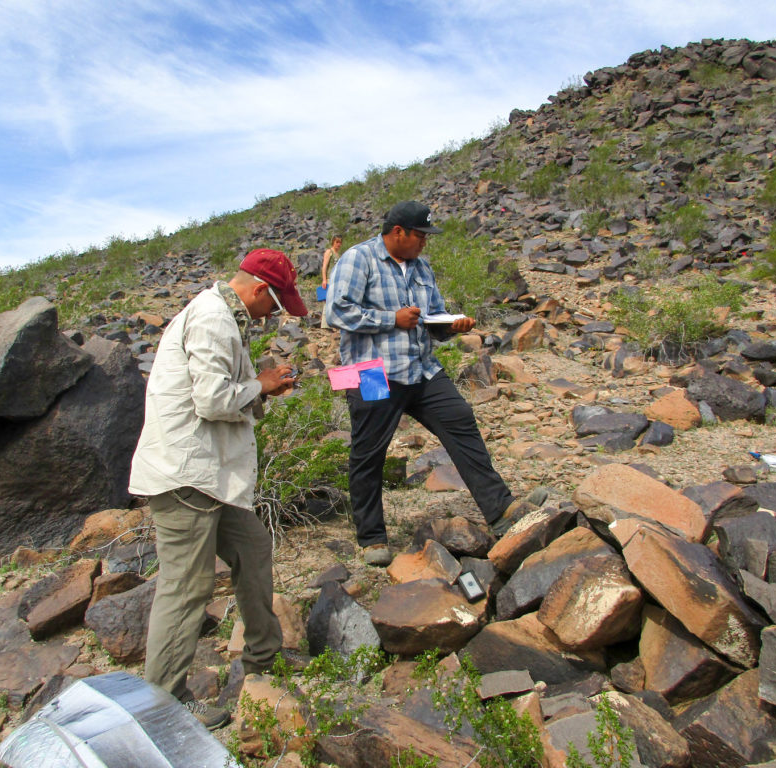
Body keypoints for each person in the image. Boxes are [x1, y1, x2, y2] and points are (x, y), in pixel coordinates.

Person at [129, 248, 308, 728]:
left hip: (207, 477)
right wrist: (262, 386)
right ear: (257, 290)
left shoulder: (223, 317)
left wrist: (260, 387)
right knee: (187, 588)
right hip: (184, 476)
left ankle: (264, 655)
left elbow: (219, 392)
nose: (275, 314)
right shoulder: (212, 318)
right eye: (275, 302)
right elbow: (211, 400)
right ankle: (162, 705)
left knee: (253, 548)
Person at [324, 201, 515, 567]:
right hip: (371, 371)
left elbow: (430, 317)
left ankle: (501, 509)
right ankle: (372, 538)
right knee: (368, 452)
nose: (425, 242)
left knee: (460, 420)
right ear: (398, 232)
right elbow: (336, 312)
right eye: (421, 235)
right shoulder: (358, 259)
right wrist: (390, 319)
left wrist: (450, 325)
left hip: (421, 367)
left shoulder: (421, 266)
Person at [319, 235, 342, 330]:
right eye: (337, 242)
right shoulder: (329, 252)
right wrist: (324, 280)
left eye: (340, 242)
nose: (339, 244)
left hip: (336, 281)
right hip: (329, 279)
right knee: (327, 302)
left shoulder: (338, 254)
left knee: (335, 302)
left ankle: (333, 324)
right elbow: (324, 267)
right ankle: (325, 325)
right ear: (333, 242)